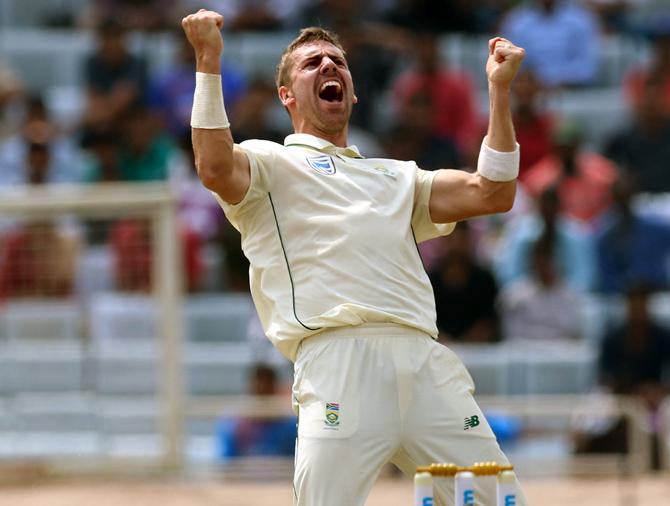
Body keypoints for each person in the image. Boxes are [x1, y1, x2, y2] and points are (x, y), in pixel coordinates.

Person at [182, 9, 527, 505]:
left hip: (424, 361)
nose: (328, 67)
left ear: (354, 90)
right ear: (286, 95)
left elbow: (492, 192)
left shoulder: (396, 176)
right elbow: (214, 167)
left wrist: (498, 89)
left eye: (337, 62)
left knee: (496, 500)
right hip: (339, 359)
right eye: (311, 64)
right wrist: (208, 60)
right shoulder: (270, 163)